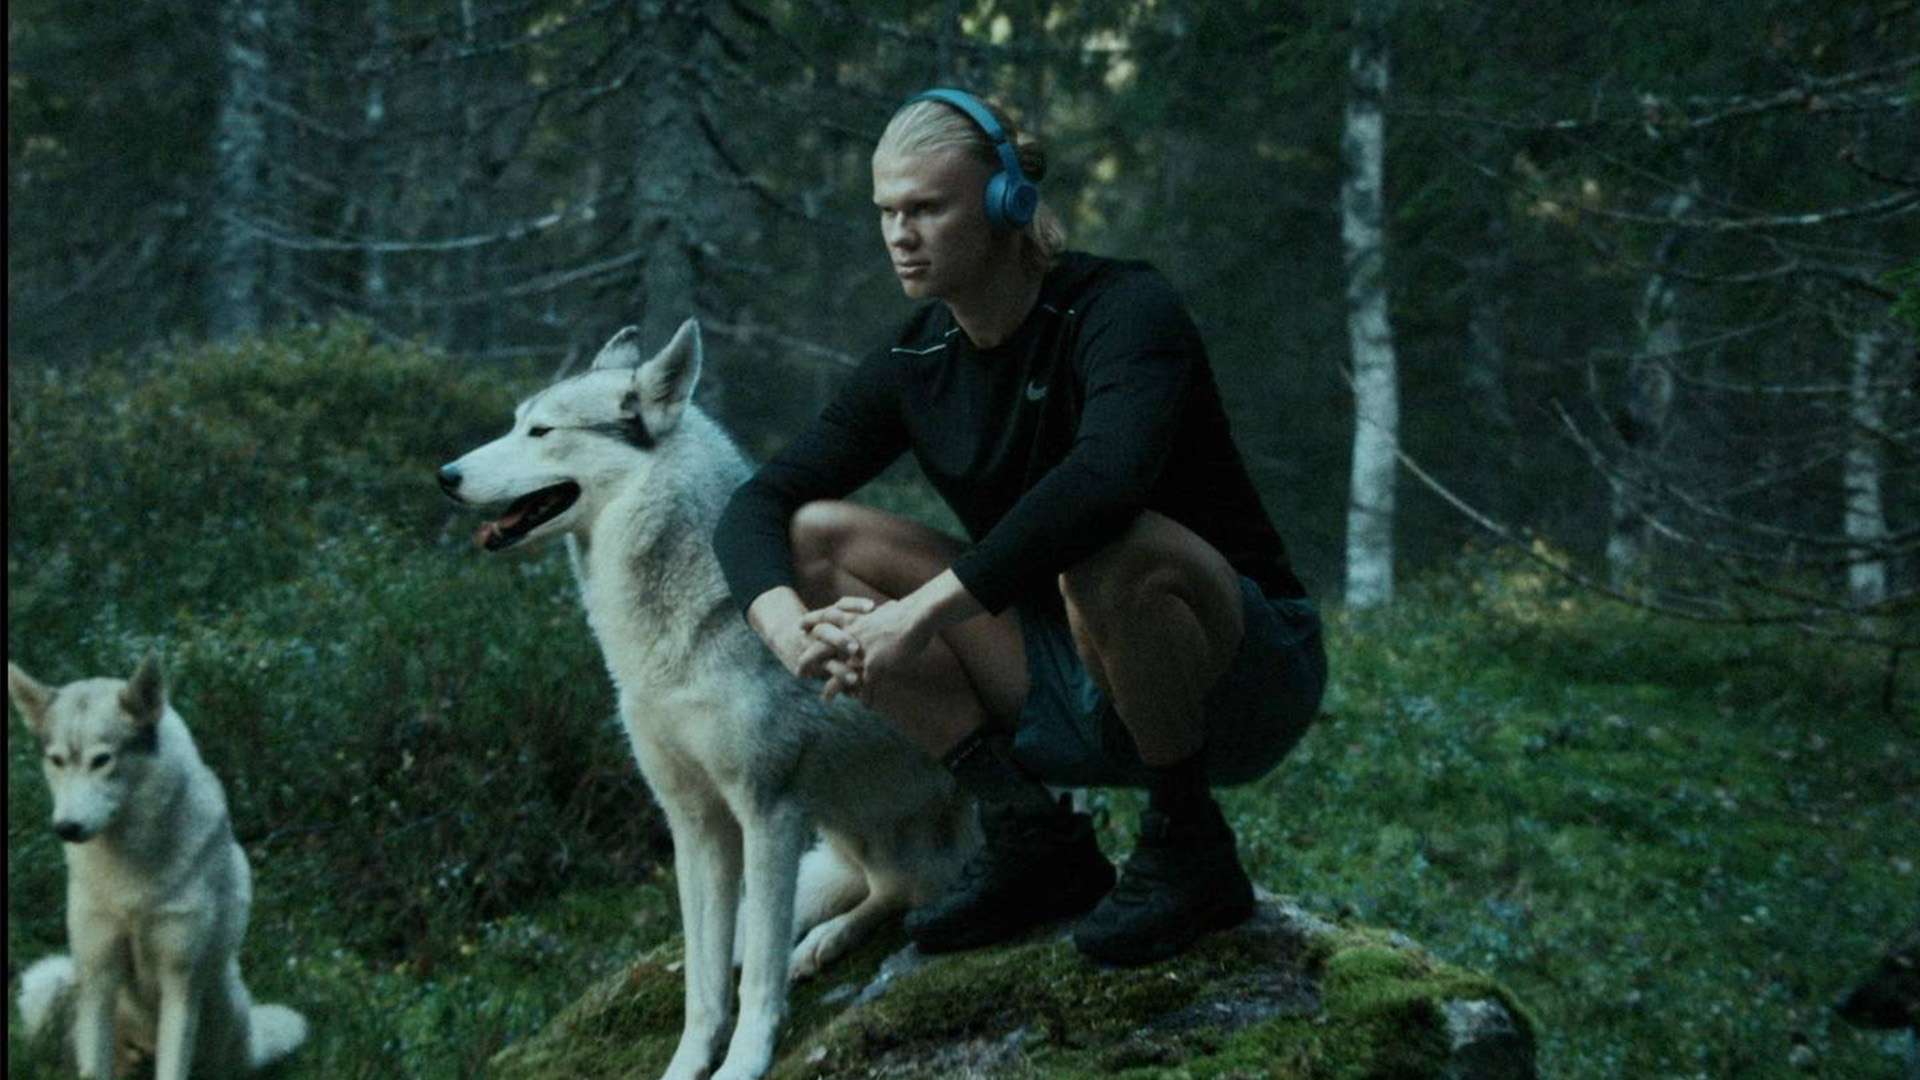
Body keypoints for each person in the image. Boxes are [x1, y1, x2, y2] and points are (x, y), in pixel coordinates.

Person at [713, 87, 1326, 967]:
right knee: (815, 534)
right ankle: (1029, 831)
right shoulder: (917, 357)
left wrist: (915, 614)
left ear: (1008, 201)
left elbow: (1104, 484)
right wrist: (785, 634)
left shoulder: (1122, 311)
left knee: (1111, 548)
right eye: (887, 210)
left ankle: (1191, 845)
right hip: (1061, 664)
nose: (899, 233)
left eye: (927, 207)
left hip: (1238, 670)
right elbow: (758, 505)